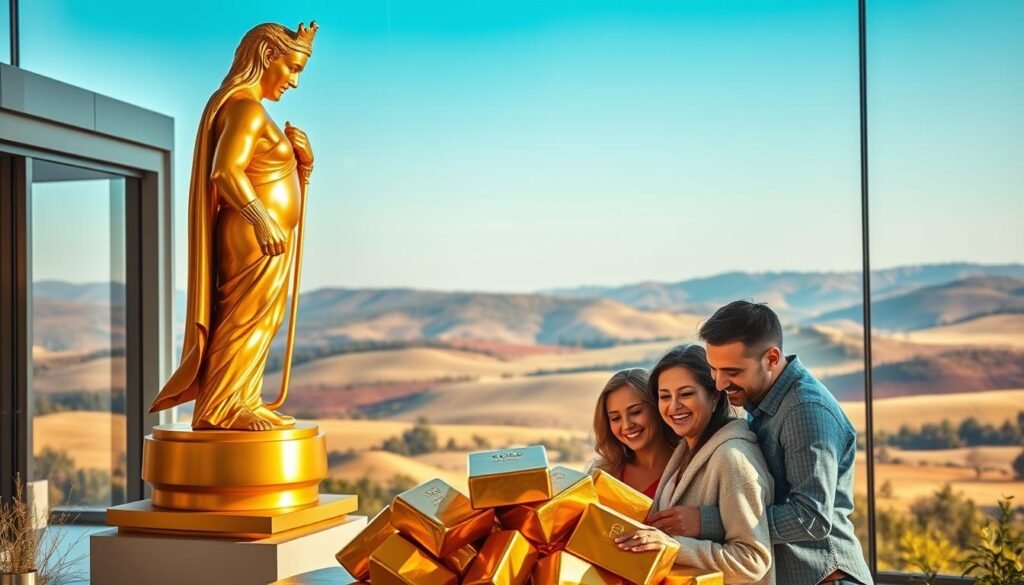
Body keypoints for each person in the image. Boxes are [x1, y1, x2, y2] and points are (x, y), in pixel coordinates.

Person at [149, 22, 318, 430]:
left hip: (268, 238)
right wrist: (262, 219)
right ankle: (220, 409)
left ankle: (244, 398)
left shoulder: (250, 109)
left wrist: (305, 163)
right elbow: (225, 171)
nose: (294, 82)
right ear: (267, 56)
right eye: (292, 68)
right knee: (244, 318)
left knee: (263, 319)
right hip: (253, 235)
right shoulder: (245, 109)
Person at [696, 301, 873, 585]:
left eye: (732, 371)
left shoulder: (804, 410)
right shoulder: (763, 400)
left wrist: (708, 522)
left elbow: (810, 517)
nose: (719, 383)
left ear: (772, 358)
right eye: (714, 370)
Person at [617, 345, 774, 584]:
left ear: (714, 396)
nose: (673, 406)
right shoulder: (685, 451)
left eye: (686, 394)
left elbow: (752, 560)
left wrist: (673, 547)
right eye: (665, 396)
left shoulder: (732, 457)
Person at [589, 368, 678, 497]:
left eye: (636, 412)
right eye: (615, 418)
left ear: (658, 406)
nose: (626, 425)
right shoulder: (602, 474)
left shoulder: (691, 467)